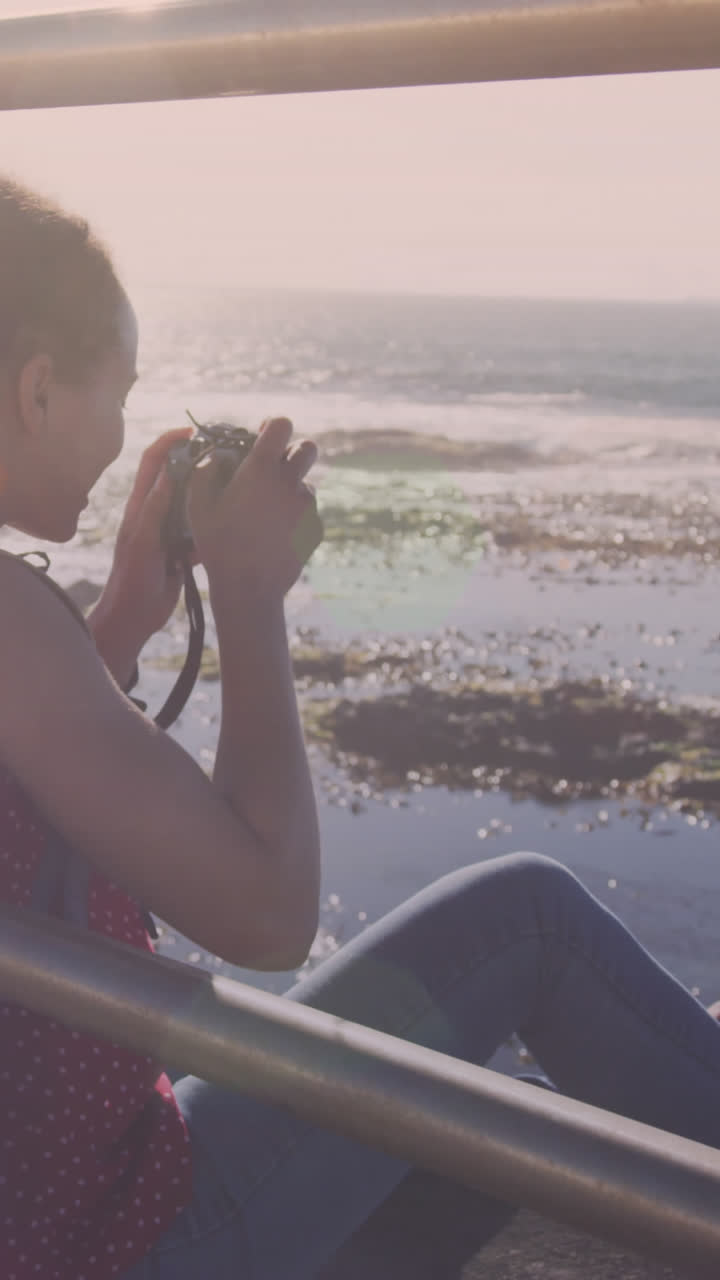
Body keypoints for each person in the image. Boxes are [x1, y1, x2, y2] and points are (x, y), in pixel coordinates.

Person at [1, 174, 719, 1280]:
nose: (122, 435)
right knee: (526, 921)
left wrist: (123, 622)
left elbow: (36, 765)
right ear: (38, 388)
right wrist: (246, 597)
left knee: (501, 1112)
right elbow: (272, 917)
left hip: (59, 1192)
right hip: (114, 1238)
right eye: (119, 391)